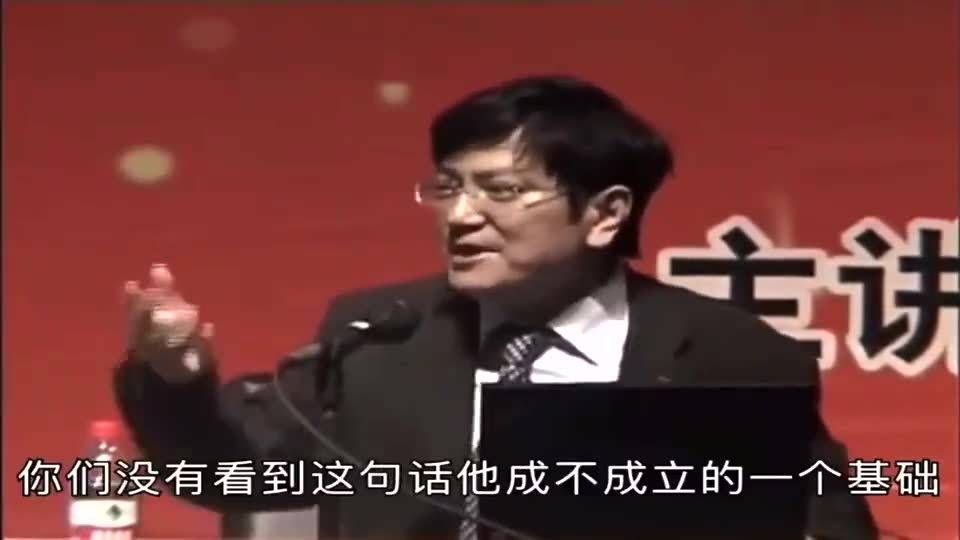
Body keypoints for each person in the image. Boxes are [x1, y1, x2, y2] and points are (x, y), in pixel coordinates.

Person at [114, 75, 878, 539]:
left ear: (606, 213)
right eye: (448, 188)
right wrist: (178, 381)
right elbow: (239, 477)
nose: (460, 216)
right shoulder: (379, 336)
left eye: (502, 191)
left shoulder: (726, 353)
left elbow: (824, 521)